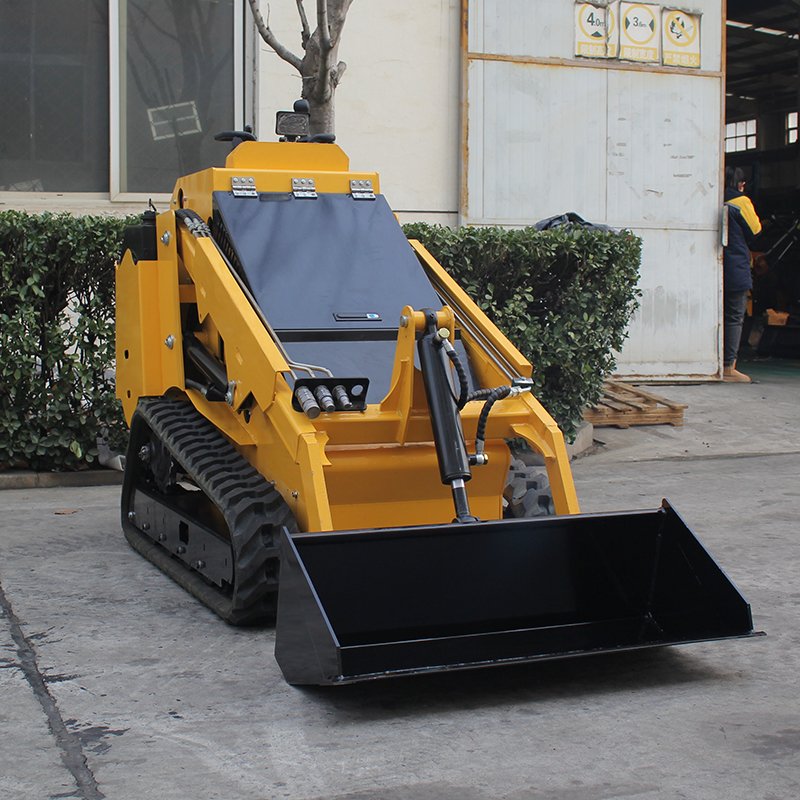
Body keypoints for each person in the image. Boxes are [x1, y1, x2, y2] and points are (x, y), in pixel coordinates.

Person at [723, 167, 761, 382]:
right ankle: (728, 366)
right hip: (735, 267)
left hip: (709, 267)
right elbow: (756, 230)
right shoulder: (740, 201)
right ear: (740, 184)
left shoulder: (710, 200)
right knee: (734, 316)